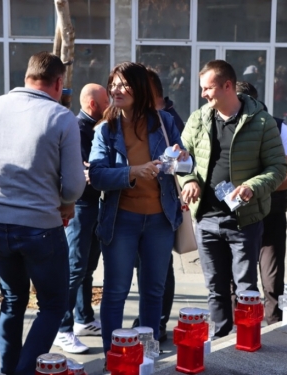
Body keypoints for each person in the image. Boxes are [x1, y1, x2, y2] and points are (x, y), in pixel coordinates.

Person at [0, 51, 85, 375]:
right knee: (52, 305)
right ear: (58, 82)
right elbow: (75, 184)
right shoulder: (61, 116)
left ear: (26, 78)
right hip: (40, 225)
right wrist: (65, 202)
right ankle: (25, 371)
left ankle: (8, 370)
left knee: (12, 301)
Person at [179, 60, 287, 338]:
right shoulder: (198, 119)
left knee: (246, 289)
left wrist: (252, 186)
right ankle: (219, 341)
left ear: (228, 86)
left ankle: (247, 341)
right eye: (202, 88)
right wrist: (189, 180)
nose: (204, 94)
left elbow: (278, 168)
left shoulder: (261, 122)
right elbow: (182, 160)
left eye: (208, 88)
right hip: (205, 219)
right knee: (215, 288)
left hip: (244, 220)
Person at [89, 62, 189, 357]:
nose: (116, 90)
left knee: (153, 291)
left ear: (140, 88)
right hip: (121, 220)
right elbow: (96, 176)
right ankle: (113, 356)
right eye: (113, 85)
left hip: (160, 219)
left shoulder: (164, 122)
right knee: (116, 291)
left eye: (123, 85)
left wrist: (182, 158)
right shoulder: (106, 130)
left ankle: (148, 355)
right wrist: (132, 172)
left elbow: (184, 163)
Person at [236, 81, 287, 324]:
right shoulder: (220, 123)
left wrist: (258, 190)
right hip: (236, 211)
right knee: (237, 273)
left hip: (271, 208)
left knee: (271, 273)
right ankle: (239, 326)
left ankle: (274, 324)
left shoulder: (276, 125)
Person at [53, 83, 109, 354]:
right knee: (75, 267)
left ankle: (83, 318)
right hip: (79, 207)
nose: (111, 106)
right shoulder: (77, 129)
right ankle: (61, 328)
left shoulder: (94, 128)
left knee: (87, 266)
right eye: (106, 102)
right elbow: (85, 168)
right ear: (92, 105)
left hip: (92, 205)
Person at [130, 68, 184, 343]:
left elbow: (184, 163)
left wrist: (176, 161)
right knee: (146, 269)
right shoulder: (129, 119)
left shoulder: (167, 120)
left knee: (162, 269)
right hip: (134, 212)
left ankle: (158, 321)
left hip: (161, 210)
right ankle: (150, 318)